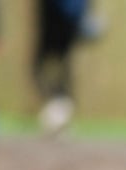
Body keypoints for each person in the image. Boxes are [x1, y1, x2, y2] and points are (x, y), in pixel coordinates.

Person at [33, 0, 91, 135]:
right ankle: (60, 108)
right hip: (64, 35)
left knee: (42, 70)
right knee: (58, 73)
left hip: (54, 34)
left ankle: (59, 108)